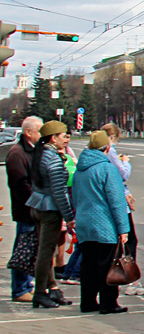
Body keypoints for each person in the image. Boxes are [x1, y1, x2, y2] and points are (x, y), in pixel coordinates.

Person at [72, 130, 131, 314]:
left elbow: (75, 197)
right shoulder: (107, 169)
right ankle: (108, 303)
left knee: (88, 264)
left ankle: (88, 302)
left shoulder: (80, 169)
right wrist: (123, 229)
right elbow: (117, 201)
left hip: (84, 223)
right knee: (107, 264)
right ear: (106, 148)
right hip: (104, 225)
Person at [25, 120, 74, 308]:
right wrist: (69, 217)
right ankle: (40, 292)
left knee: (46, 251)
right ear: (53, 138)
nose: (66, 140)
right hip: (49, 209)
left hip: (37, 206)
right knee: (46, 253)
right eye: (63, 136)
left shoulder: (41, 154)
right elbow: (59, 192)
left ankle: (52, 289)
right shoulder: (52, 159)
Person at [102, 124, 144, 296]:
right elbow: (122, 175)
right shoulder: (110, 151)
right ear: (113, 137)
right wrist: (126, 162)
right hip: (118, 199)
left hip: (106, 202)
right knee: (129, 240)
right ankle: (130, 280)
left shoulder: (92, 153)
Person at [6, 116, 43, 302]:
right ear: (28, 132)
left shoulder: (33, 151)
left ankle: (26, 285)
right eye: (39, 132)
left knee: (30, 248)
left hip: (33, 210)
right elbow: (20, 185)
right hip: (26, 210)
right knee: (24, 249)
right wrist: (38, 202)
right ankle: (20, 289)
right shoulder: (17, 153)